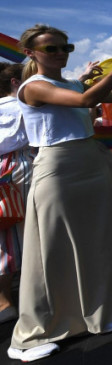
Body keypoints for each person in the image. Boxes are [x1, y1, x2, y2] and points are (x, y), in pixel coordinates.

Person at [9, 25, 112, 362]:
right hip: (59, 168)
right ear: (31, 53)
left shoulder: (69, 82)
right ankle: (30, 335)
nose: (61, 53)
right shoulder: (33, 87)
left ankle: (98, 314)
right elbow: (86, 100)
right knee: (51, 249)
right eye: (51, 48)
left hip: (89, 163)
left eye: (65, 47)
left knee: (97, 240)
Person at [0, 63, 32, 326]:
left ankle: (5, 301)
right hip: (17, 168)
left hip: (12, 168)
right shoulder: (19, 105)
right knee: (23, 230)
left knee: (7, 233)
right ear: (14, 82)